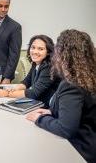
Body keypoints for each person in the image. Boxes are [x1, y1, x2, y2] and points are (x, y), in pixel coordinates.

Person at [26, 30, 96, 163]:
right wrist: (52, 111)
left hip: (80, 151)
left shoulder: (71, 84)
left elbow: (66, 129)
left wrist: (39, 119)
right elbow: (85, 111)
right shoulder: (88, 77)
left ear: (62, 54)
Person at [0, 35, 60, 107]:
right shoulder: (36, 63)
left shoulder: (49, 67)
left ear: (48, 52)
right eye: (33, 47)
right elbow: (26, 82)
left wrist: (6, 93)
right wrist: (13, 89)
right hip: (39, 103)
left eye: (40, 49)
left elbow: (33, 93)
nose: (35, 51)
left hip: (50, 108)